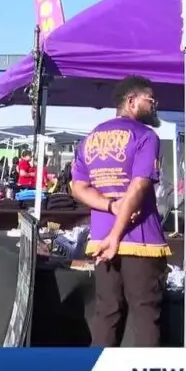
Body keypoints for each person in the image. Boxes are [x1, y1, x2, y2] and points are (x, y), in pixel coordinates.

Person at [72, 75, 170, 346]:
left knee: (107, 312)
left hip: (101, 238)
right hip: (139, 238)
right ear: (131, 101)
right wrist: (117, 234)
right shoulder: (146, 136)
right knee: (145, 313)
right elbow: (138, 187)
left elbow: (78, 187)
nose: (154, 106)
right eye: (150, 100)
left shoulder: (90, 138)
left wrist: (110, 207)